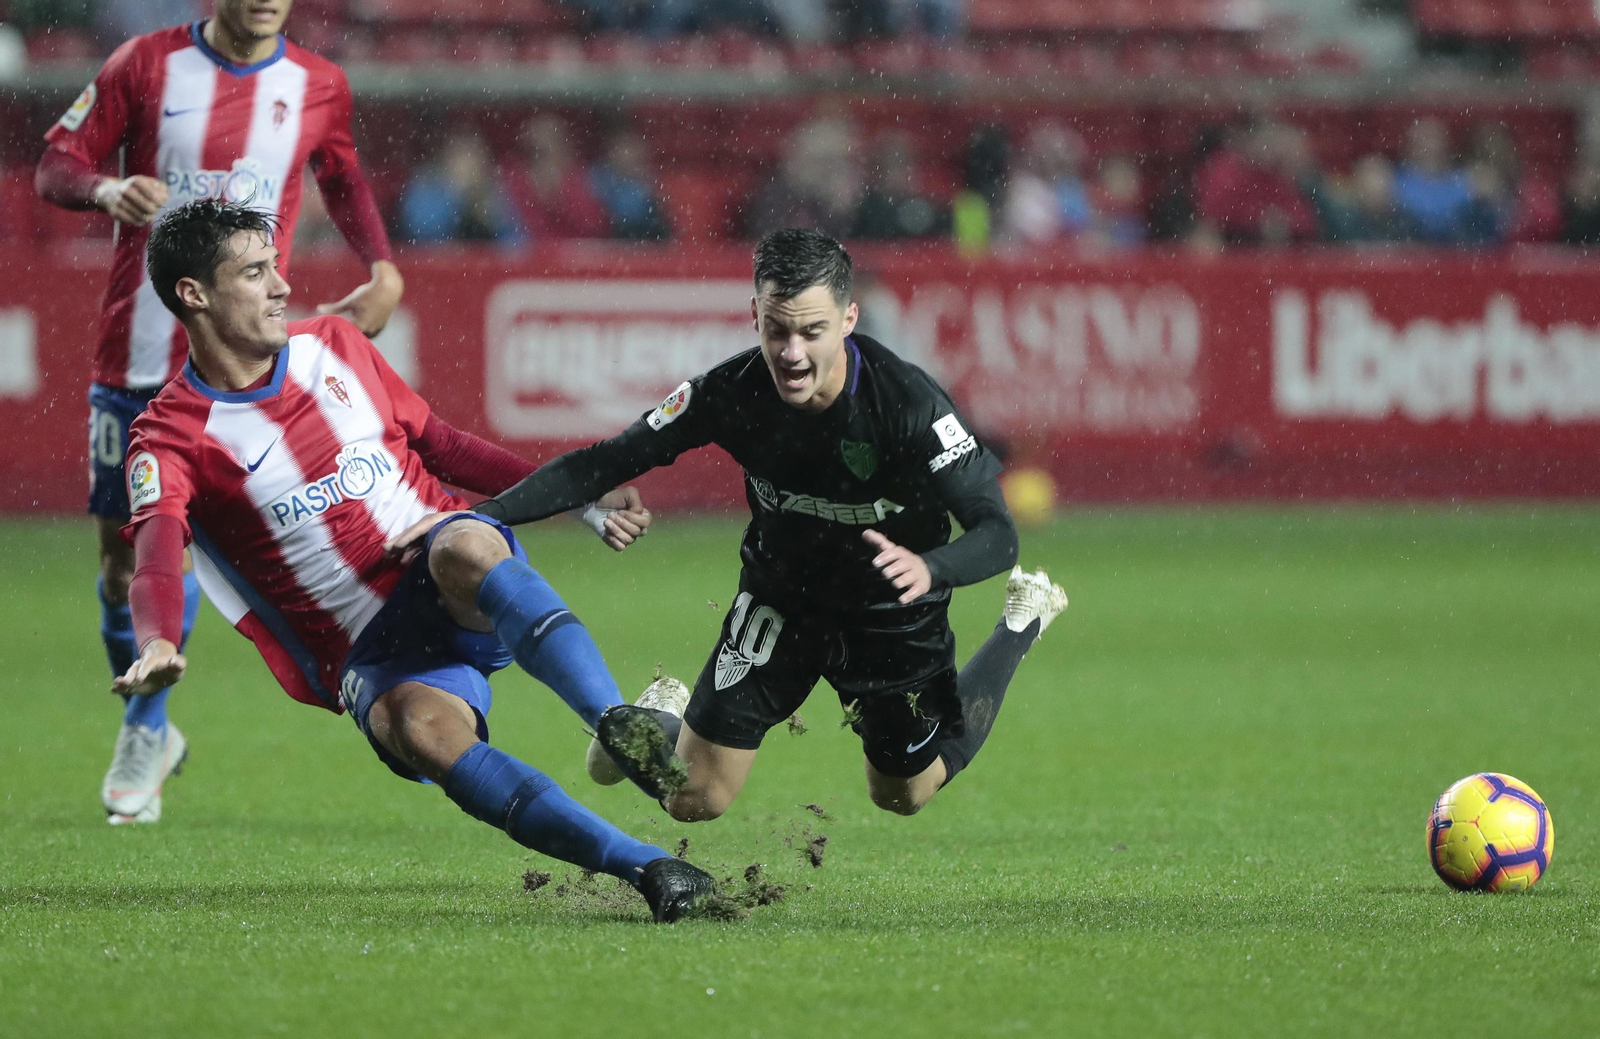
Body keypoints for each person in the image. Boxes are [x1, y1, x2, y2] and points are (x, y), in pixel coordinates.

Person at [115, 198, 713, 921]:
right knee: (422, 734)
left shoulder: (333, 344)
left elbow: (442, 444)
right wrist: (157, 640)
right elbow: (156, 555)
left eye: (275, 266)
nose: (280, 285)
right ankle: (651, 869)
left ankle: (617, 722)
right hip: (369, 649)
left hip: (444, 573)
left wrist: (578, 496)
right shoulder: (169, 437)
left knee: (461, 540)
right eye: (254, 273)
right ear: (194, 294)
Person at [398, 228, 1068, 822]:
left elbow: (996, 531)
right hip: (782, 600)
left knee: (903, 793)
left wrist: (931, 567)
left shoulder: (909, 405)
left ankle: (1020, 622)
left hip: (892, 612)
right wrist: (474, 517)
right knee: (693, 798)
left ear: (849, 319)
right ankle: (658, 718)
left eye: (812, 331)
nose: (792, 352)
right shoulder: (729, 391)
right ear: (754, 315)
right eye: (777, 329)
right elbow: (602, 462)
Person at [35, 0, 405, 825]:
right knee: (122, 560)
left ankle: (148, 726)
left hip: (243, 372)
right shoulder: (145, 64)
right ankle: (152, 716)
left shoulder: (317, 83)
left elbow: (341, 174)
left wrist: (382, 266)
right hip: (135, 361)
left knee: (195, 540)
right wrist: (105, 188)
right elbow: (56, 164)